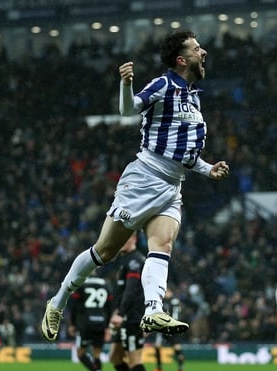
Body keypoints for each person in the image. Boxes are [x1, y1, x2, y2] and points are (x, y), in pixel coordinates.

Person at [41, 29, 230, 342]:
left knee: (163, 246)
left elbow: (183, 154)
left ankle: (153, 309)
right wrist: (126, 84)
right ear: (182, 59)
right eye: (197, 49)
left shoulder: (193, 99)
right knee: (104, 252)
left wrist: (208, 169)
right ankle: (57, 301)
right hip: (144, 179)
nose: (204, 52)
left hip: (172, 187)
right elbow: (128, 110)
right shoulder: (164, 83)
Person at [109, 233, 154, 371]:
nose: (122, 241)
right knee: (115, 357)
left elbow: (132, 290)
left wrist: (120, 313)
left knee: (135, 360)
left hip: (133, 318)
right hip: (124, 317)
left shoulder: (136, 261)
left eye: (126, 238)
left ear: (134, 239)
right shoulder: (124, 260)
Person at [68, 274, 113, 371]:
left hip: (86, 323)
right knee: (97, 354)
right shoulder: (106, 284)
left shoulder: (82, 284)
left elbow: (75, 306)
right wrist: (108, 326)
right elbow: (109, 307)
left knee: (81, 353)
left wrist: (72, 323)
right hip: (101, 323)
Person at [151, 289, 186, 371]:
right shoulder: (172, 301)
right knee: (161, 346)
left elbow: (174, 315)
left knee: (173, 347)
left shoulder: (172, 302)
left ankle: (161, 370)